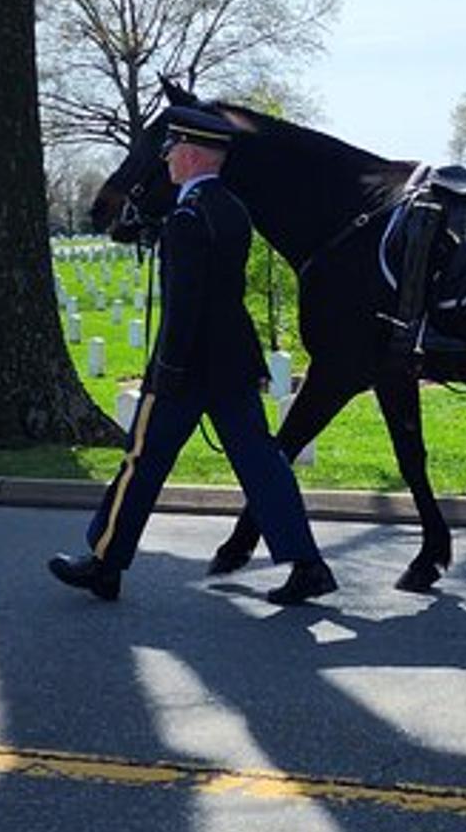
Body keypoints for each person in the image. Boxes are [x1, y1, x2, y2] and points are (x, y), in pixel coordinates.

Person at [49, 105, 338, 606]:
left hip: (185, 368)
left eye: (171, 151)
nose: (166, 160)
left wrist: (167, 372)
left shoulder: (186, 217)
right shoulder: (232, 209)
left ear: (189, 154)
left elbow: (184, 304)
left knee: (143, 461)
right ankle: (307, 564)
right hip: (233, 362)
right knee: (262, 464)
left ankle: (104, 563)